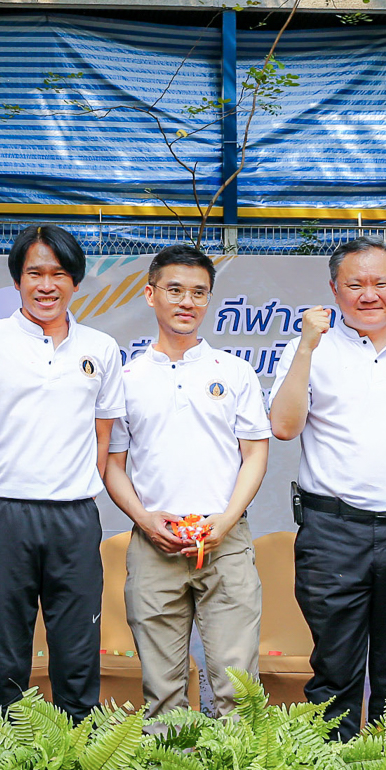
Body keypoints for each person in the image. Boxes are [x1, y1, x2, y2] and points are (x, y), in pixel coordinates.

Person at [268, 236, 386, 740]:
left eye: (380, 282)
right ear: (334, 289)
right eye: (355, 284)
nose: (369, 294)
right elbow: (283, 426)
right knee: (335, 669)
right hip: (332, 530)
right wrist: (306, 346)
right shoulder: (308, 350)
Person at [0, 223, 125, 720]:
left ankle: (77, 755)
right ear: (17, 280)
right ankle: (11, 755)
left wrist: (77, 488)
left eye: (59, 274)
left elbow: (103, 436)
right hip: (4, 515)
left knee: (77, 653)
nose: (47, 285)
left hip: (74, 518)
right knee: (4, 656)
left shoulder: (100, 347)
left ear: (76, 281)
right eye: (35, 273)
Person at [105, 245, 269, 726]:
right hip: (155, 542)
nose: (187, 302)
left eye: (199, 293)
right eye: (174, 290)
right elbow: (112, 464)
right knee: (161, 691)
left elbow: (256, 454)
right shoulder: (127, 377)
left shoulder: (233, 371)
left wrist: (227, 521)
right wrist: (144, 520)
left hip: (225, 542)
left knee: (237, 687)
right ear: (150, 293)